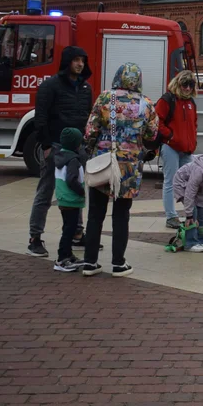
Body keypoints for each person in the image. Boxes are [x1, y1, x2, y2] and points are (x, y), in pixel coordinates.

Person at [81, 63, 160, 277]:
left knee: (95, 214)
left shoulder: (105, 98)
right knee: (121, 215)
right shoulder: (146, 104)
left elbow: (90, 131)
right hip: (129, 167)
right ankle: (118, 263)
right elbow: (152, 136)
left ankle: (89, 262)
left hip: (103, 163)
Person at [27, 45, 93, 258]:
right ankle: (35, 238)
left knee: (77, 190)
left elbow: (87, 116)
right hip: (55, 146)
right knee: (45, 192)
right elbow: (41, 118)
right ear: (67, 62)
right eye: (76, 60)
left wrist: (87, 144)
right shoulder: (49, 86)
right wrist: (46, 146)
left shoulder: (86, 88)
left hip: (78, 148)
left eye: (82, 60)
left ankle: (77, 234)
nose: (80, 64)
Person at [156, 70, 199, 230]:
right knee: (171, 181)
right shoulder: (168, 100)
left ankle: (188, 214)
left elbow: (194, 124)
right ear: (178, 84)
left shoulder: (190, 103)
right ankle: (171, 216)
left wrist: (192, 142)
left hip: (185, 148)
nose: (187, 88)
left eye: (191, 85)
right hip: (171, 147)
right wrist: (171, 136)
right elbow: (157, 121)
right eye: (185, 84)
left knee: (189, 182)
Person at [52, 127, 88, 273]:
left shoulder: (61, 156)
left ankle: (68, 255)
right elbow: (72, 179)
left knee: (68, 227)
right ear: (76, 144)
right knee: (69, 230)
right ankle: (62, 259)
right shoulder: (73, 160)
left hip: (63, 198)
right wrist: (81, 191)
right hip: (71, 199)